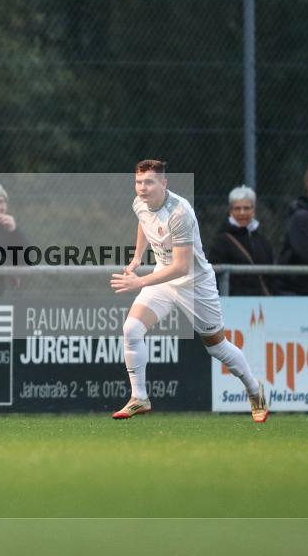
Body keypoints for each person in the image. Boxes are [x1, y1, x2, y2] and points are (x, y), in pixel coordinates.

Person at [110, 160, 268, 423]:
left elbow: (181, 267)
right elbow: (143, 223)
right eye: (138, 182)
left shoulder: (179, 212)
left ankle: (255, 392)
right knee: (131, 329)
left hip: (194, 283)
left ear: (164, 183)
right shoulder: (140, 202)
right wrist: (138, 257)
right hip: (162, 278)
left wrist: (140, 282)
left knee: (217, 347)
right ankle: (139, 398)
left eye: (149, 182)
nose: (142, 188)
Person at [207, 185, 274, 296]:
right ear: (230, 210)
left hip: (262, 302)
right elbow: (215, 276)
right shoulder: (222, 241)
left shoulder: (262, 240)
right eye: (237, 208)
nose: (242, 212)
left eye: (247, 208)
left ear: (253, 210)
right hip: (233, 301)